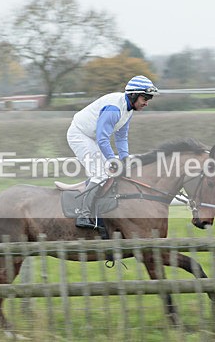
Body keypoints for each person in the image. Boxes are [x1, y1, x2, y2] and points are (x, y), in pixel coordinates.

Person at [66, 75, 159, 228]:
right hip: (80, 135)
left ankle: (98, 209)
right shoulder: (114, 108)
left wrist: (125, 159)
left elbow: (121, 137)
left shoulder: (128, 109)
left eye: (149, 99)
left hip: (92, 137)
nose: (147, 103)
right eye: (145, 98)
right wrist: (113, 160)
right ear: (134, 95)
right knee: (100, 173)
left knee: (109, 172)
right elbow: (102, 138)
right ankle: (82, 214)